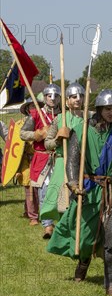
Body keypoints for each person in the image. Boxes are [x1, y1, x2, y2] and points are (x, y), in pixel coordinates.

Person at [47, 89, 112, 296]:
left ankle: (111, 283)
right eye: (108, 108)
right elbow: (72, 160)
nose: (111, 112)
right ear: (99, 109)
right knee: (87, 236)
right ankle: (83, 262)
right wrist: (72, 182)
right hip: (90, 188)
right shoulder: (81, 130)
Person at [20, 84, 61, 238]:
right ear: (44, 98)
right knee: (44, 192)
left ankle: (61, 222)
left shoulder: (63, 115)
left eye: (55, 95)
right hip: (42, 157)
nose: (52, 98)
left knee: (60, 192)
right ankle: (47, 225)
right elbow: (22, 134)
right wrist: (36, 134)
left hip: (60, 158)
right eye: (49, 95)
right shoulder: (36, 115)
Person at [41, 82, 85, 223]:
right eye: (73, 97)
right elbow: (47, 144)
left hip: (83, 163)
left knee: (80, 199)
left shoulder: (89, 119)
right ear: (67, 101)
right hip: (62, 163)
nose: (78, 99)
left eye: (81, 96)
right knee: (61, 202)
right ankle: (61, 229)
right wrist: (58, 140)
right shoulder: (59, 119)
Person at [15, 98, 42, 225]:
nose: (33, 109)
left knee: (38, 187)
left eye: (36, 106)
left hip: (40, 158)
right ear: (26, 109)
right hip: (25, 160)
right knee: (29, 187)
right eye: (31, 106)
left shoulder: (43, 122)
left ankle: (29, 211)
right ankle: (33, 217)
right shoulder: (20, 125)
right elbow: (15, 145)